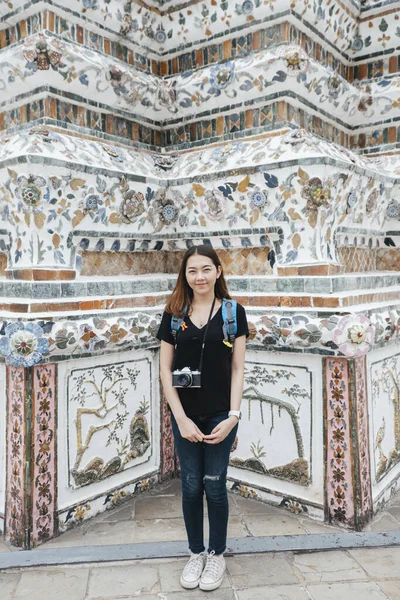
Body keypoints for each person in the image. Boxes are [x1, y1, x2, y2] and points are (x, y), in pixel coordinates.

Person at [157, 244, 248, 591]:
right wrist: (179, 419)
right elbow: (165, 371)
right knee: (191, 486)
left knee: (215, 485)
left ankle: (217, 553)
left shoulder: (232, 313)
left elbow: (238, 368)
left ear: (218, 272)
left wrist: (234, 416)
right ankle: (196, 553)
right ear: (185, 275)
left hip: (222, 415)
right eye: (192, 271)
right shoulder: (174, 313)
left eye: (206, 269)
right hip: (185, 416)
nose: (199, 277)